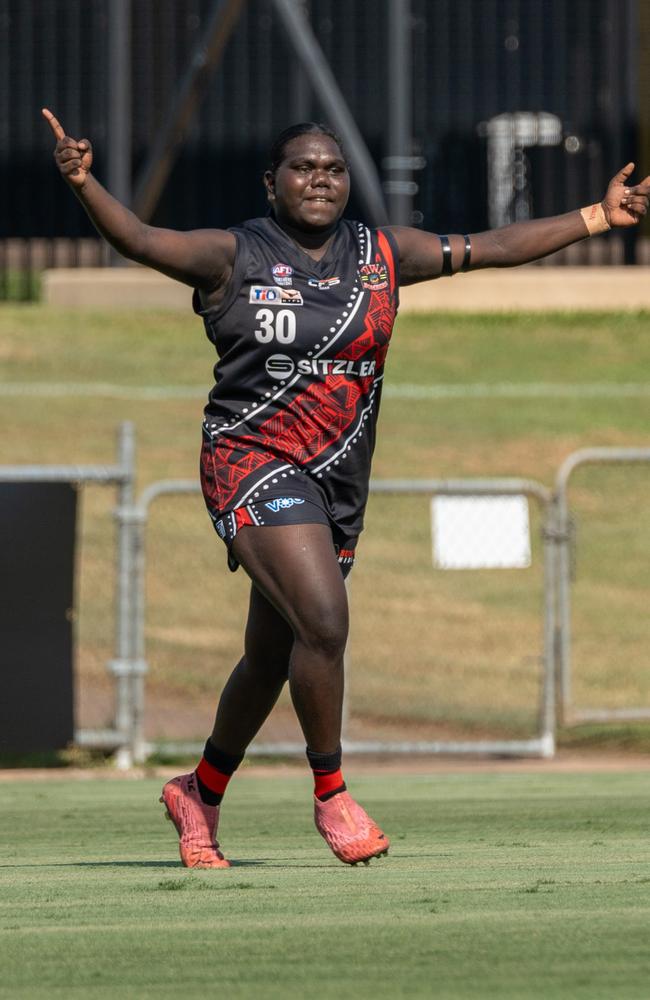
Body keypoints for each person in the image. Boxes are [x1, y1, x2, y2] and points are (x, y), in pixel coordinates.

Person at [43, 107, 649, 868]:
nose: (321, 179)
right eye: (303, 167)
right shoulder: (235, 254)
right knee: (326, 622)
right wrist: (82, 181)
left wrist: (599, 215)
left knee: (274, 656)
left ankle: (199, 790)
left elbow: (493, 246)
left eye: (333, 168)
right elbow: (137, 238)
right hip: (250, 459)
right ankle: (332, 792)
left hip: (337, 482)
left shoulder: (380, 254)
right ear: (273, 183)